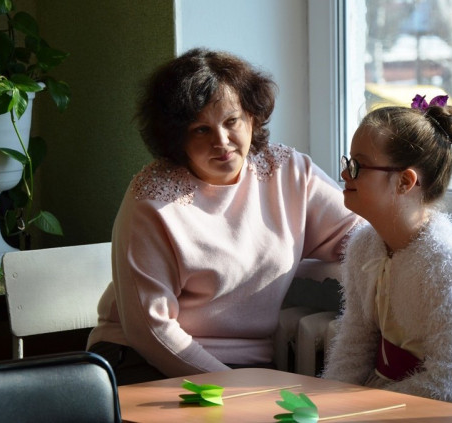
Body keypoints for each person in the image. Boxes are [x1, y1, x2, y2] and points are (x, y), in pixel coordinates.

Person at [87, 48, 362, 385]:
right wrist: (232, 388)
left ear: (252, 118)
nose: (222, 141)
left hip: (246, 369)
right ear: (176, 137)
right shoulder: (151, 201)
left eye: (231, 121)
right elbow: (151, 330)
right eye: (200, 130)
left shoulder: (289, 172)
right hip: (143, 360)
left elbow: (361, 235)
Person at [321, 95, 452, 423]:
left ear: (405, 181)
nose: (344, 174)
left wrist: (367, 409)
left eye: (357, 166)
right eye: (349, 162)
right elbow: (355, 342)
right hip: (384, 399)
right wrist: (330, 404)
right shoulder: (363, 245)